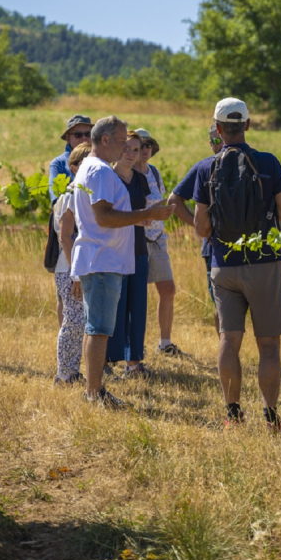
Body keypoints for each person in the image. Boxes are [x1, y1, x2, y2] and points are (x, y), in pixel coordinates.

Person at [191, 98, 281, 433]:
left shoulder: (207, 168)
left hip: (223, 265)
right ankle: (271, 417)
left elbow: (201, 228)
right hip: (264, 263)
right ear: (248, 126)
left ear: (218, 129)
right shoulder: (268, 162)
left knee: (229, 340)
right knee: (268, 345)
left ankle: (233, 415)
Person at [71, 116, 173, 407]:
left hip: (101, 258)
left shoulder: (94, 168)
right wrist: (147, 214)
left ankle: (94, 390)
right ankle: (94, 393)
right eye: (120, 141)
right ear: (104, 140)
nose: (125, 147)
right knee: (99, 329)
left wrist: (145, 213)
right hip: (103, 260)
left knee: (98, 327)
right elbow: (104, 217)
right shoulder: (101, 172)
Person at [168, 122, 224, 334]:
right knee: (220, 305)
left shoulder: (247, 163)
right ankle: (225, 355)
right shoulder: (205, 166)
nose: (220, 145)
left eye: (223, 139)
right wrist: (200, 226)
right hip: (214, 248)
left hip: (245, 247)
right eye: (216, 141)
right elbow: (174, 200)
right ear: (211, 143)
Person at [134, 128, 185, 357]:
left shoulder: (153, 172)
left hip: (157, 239)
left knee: (168, 289)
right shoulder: (127, 174)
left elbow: (160, 198)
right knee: (136, 295)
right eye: (141, 145)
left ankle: (165, 343)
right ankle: (134, 346)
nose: (146, 149)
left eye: (149, 145)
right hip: (137, 240)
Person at [107, 132, 153, 377]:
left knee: (137, 307)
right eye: (126, 148)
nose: (130, 154)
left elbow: (142, 212)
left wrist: (149, 217)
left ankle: (133, 363)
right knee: (114, 306)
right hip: (113, 252)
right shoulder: (107, 177)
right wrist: (136, 219)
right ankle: (105, 362)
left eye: (135, 150)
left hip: (138, 250)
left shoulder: (140, 179)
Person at [53, 142, 92, 384]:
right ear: (74, 167)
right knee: (73, 322)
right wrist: (76, 275)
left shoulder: (80, 194)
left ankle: (72, 371)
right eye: (85, 163)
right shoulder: (69, 195)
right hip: (68, 268)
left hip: (76, 267)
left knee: (80, 322)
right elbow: (65, 237)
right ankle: (64, 374)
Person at [49, 114, 93, 201]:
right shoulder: (58, 164)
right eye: (78, 134)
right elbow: (56, 203)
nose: (84, 138)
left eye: (88, 134)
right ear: (68, 138)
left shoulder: (101, 160)